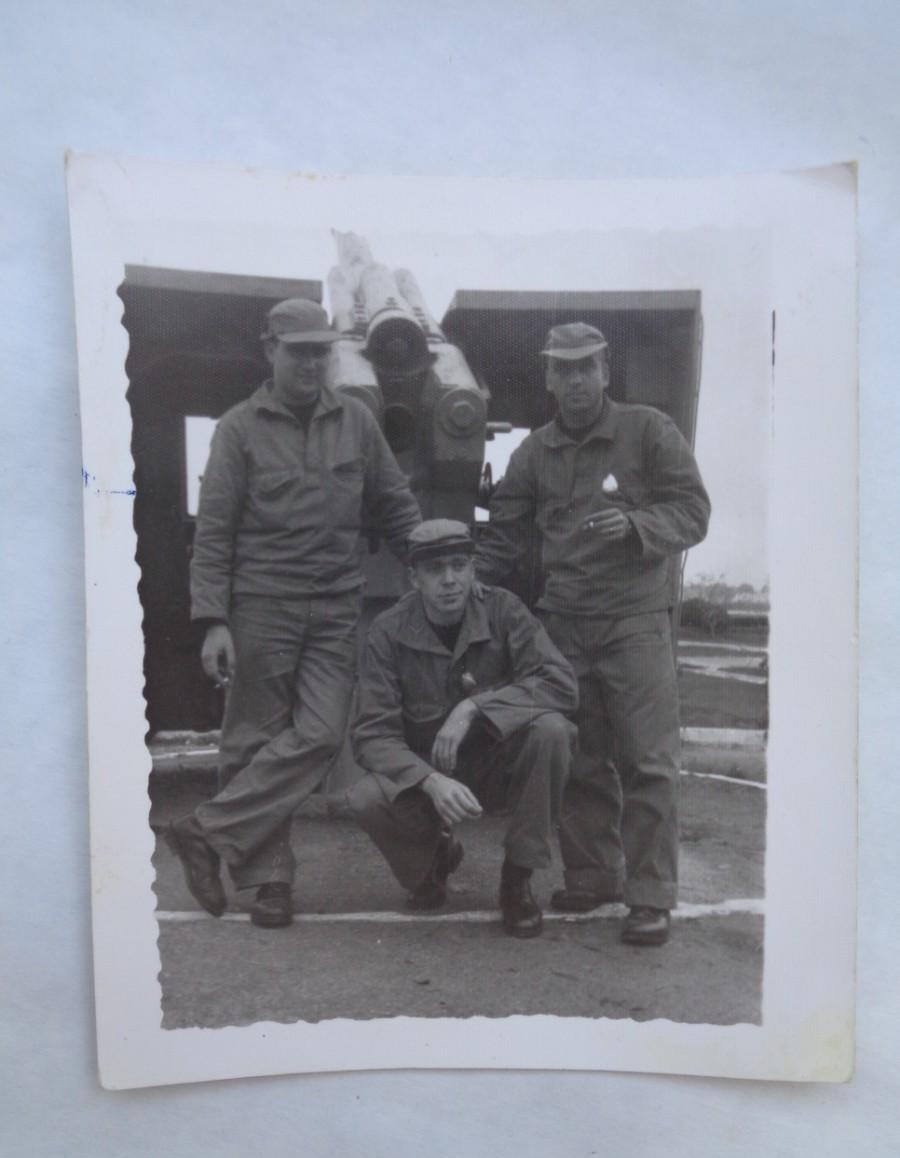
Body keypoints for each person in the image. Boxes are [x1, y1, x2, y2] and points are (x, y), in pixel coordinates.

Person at [165, 298, 421, 928]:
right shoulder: (237, 430)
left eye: (319, 351)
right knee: (252, 740)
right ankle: (268, 880)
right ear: (268, 352)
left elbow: (395, 503)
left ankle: (205, 831)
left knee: (324, 734)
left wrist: (436, 557)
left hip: (335, 607)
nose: (310, 363)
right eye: (298, 350)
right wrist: (213, 622)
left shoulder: (357, 421)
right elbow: (215, 534)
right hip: (261, 607)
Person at [475, 322, 711, 946]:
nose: (575, 380)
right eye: (563, 369)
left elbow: (694, 511)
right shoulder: (531, 454)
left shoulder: (649, 430)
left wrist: (636, 525)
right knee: (580, 759)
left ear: (606, 371)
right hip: (562, 623)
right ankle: (592, 875)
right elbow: (503, 533)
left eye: (586, 367)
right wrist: (466, 589)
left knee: (648, 760)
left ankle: (651, 896)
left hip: (634, 622)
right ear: (549, 379)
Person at [348, 519, 578, 938]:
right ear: (414, 578)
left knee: (552, 731)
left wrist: (474, 706)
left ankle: (517, 878)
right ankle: (433, 859)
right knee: (366, 797)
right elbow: (370, 735)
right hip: (430, 775)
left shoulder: (504, 610)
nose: (449, 580)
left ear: (473, 569)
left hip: (497, 767)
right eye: (435, 570)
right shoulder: (387, 632)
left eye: (459, 565)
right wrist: (430, 780)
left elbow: (560, 683)